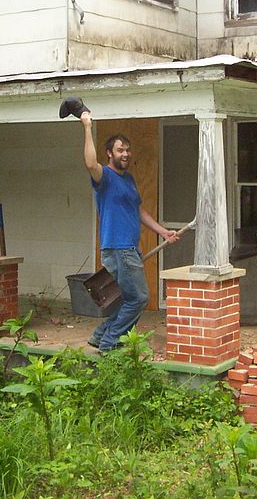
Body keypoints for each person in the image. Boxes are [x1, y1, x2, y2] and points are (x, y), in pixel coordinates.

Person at [80, 110, 177, 352]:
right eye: (120, 150)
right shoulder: (105, 177)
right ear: (109, 153)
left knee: (128, 299)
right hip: (119, 248)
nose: (125, 154)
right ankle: (109, 342)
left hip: (128, 248)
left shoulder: (129, 179)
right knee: (138, 298)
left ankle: (101, 335)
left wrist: (162, 231)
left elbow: (138, 210)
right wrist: (87, 126)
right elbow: (90, 163)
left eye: (127, 150)